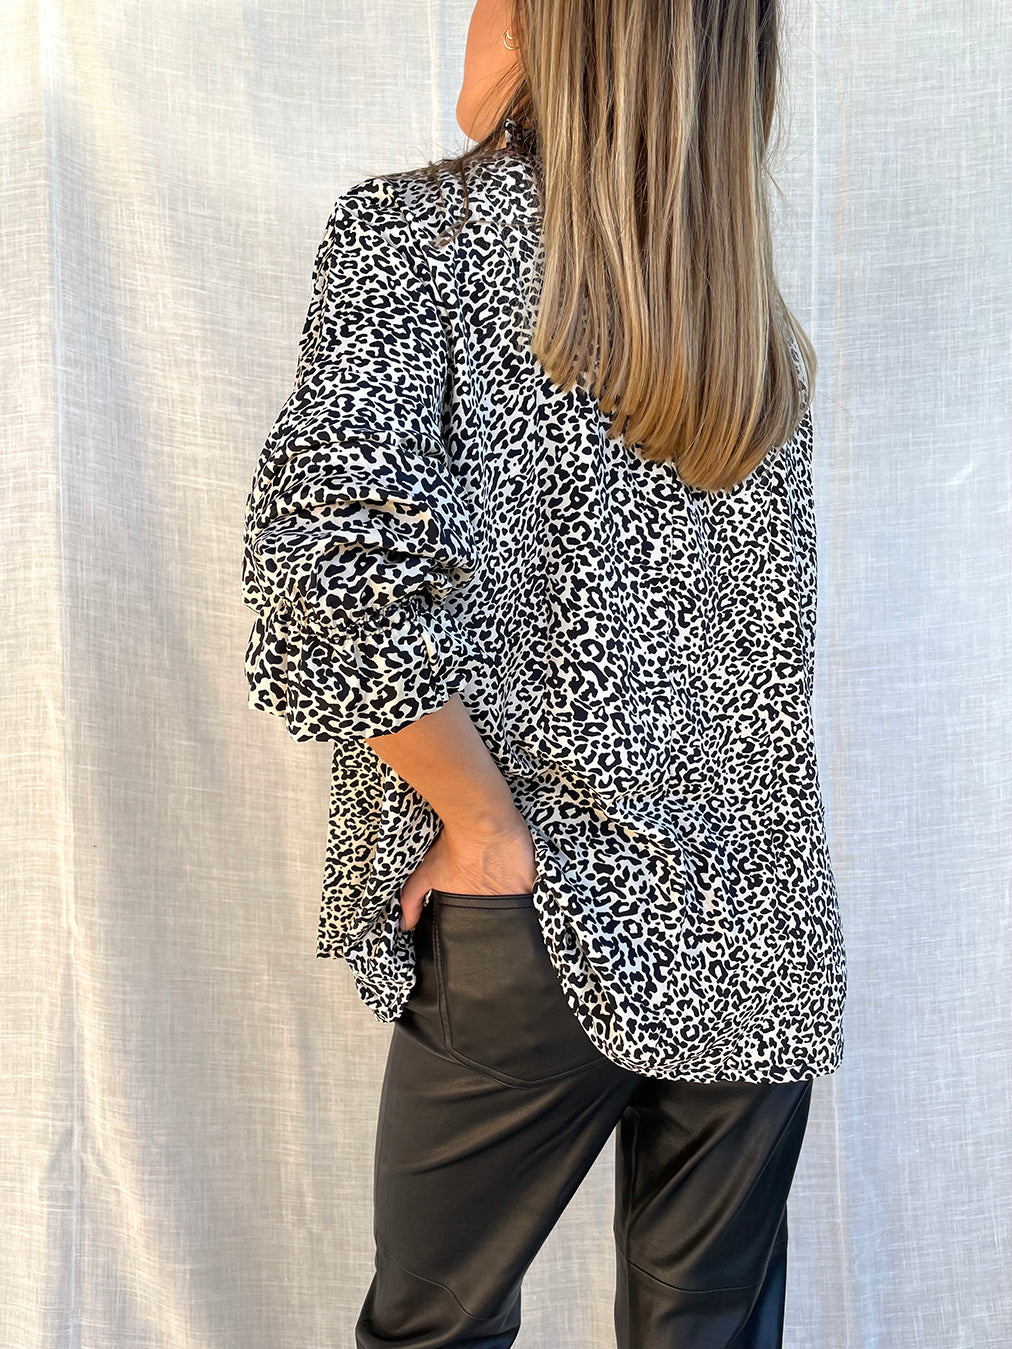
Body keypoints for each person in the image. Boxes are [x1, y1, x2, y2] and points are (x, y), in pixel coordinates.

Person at [240, 0, 847, 1344]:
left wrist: (480, 823)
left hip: (539, 916)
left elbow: (326, 585)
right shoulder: (739, 314)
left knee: (433, 1332)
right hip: (757, 922)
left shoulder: (418, 238)